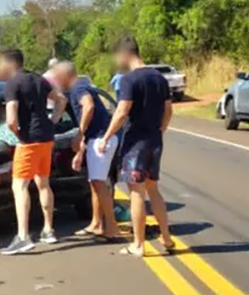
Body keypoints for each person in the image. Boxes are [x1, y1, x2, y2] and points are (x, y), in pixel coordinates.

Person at [97, 38, 174, 257]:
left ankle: (138, 244)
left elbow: (122, 111)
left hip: (136, 143)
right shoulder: (159, 78)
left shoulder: (130, 80)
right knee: (153, 188)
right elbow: (168, 110)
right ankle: (166, 236)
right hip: (154, 139)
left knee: (136, 192)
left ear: (125, 54)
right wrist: (161, 128)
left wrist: (106, 137)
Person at [0, 49, 68, 255]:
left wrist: (18, 133)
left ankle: (23, 236)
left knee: (19, 186)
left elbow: (11, 119)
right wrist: (53, 121)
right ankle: (48, 230)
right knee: (43, 182)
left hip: (28, 140)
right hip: (46, 138)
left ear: (10, 64)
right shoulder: (38, 79)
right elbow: (61, 99)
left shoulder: (13, 84)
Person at [54, 62, 120, 241]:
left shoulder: (78, 88)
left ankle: (112, 227)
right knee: (94, 183)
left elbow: (88, 106)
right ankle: (96, 223)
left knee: (99, 183)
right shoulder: (79, 87)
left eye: (57, 77)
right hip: (95, 138)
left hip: (100, 139)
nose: (56, 81)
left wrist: (79, 134)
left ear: (65, 76)